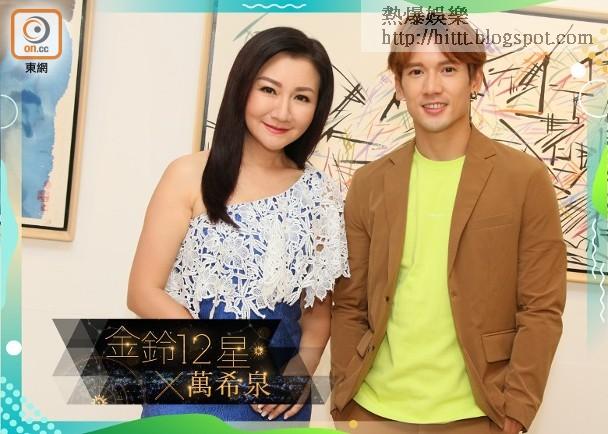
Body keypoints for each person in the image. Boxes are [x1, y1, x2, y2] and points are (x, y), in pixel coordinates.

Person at [330, 19, 566, 434]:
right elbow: (350, 304)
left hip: (478, 413)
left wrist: (516, 411)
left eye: (449, 69)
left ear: (475, 78)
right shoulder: (369, 183)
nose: (432, 87)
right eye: (416, 71)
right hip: (371, 411)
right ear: (399, 85)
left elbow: (541, 308)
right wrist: (341, 394)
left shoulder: (524, 179)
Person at [127, 27, 349, 422]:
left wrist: (300, 372)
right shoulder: (188, 174)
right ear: (242, 87)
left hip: (274, 401)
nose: (282, 111)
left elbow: (317, 314)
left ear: (317, 108)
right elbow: (143, 292)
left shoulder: (321, 194)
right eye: (269, 90)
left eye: (301, 97)